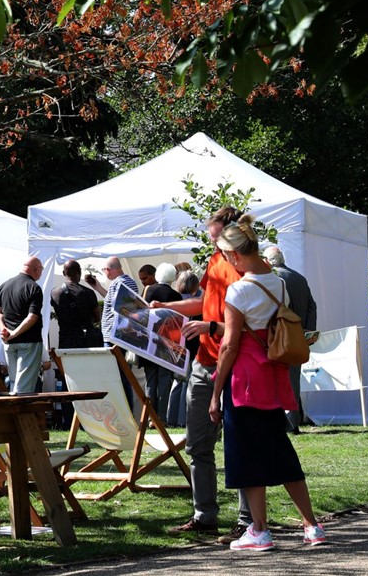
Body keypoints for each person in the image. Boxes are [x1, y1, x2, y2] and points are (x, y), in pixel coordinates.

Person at [209, 216, 327, 550]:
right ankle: (312, 525)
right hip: (272, 378)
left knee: (245, 455)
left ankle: (258, 530)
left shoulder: (239, 288)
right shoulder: (278, 283)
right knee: (281, 451)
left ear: (233, 256)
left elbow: (231, 345)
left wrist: (215, 394)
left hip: (244, 381)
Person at [151, 206, 251, 541]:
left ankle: (248, 520)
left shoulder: (244, 266)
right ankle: (204, 515)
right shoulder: (213, 262)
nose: (213, 243)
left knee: (239, 444)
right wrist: (166, 307)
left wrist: (210, 326)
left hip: (235, 364)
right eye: (211, 238)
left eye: (215, 237)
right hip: (203, 363)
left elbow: (243, 326)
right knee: (197, 444)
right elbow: (202, 303)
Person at [263, 246, 318, 434]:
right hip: (299, 335)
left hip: (280, 335)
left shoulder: (274, 279)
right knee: (293, 378)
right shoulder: (299, 278)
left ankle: (289, 422)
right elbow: (312, 306)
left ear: (268, 261)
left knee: (280, 379)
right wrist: (308, 330)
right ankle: (294, 417)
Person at [87, 256, 139, 403]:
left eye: (104, 270)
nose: (105, 273)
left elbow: (122, 307)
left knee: (119, 376)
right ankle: (123, 410)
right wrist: (97, 287)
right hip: (115, 335)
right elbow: (114, 302)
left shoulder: (122, 282)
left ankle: (125, 410)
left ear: (109, 270)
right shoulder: (121, 282)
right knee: (118, 376)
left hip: (116, 336)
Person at [0, 256, 45, 394]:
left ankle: (14, 414)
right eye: (41, 269)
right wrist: (13, 333)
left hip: (9, 343)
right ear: (35, 269)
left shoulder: (5, 285)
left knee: (13, 383)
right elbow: (32, 317)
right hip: (29, 342)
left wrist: (4, 330)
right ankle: (20, 414)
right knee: (24, 386)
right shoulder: (34, 287)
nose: (41, 272)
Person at [143, 263, 183, 420]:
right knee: (165, 380)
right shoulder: (176, 296)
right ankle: (161, 418)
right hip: (168, 342)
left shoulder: (149, 290)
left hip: (150, 341)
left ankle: (149, 417)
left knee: (150, 381)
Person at [167, 270, 203, 427]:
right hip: (192, 345)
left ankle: (172, 417)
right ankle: (183, 419)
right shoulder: (196, 302)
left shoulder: (176, 300)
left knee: (177, 382)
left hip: (175, 344)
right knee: (187, 382)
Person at [51, 260, 102, 349]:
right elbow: (98, 317)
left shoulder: (54, 293)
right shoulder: (88, 292)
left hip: (65, 340)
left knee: (68, 363)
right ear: (80, 272)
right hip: (86, 340)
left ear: (64, 273)